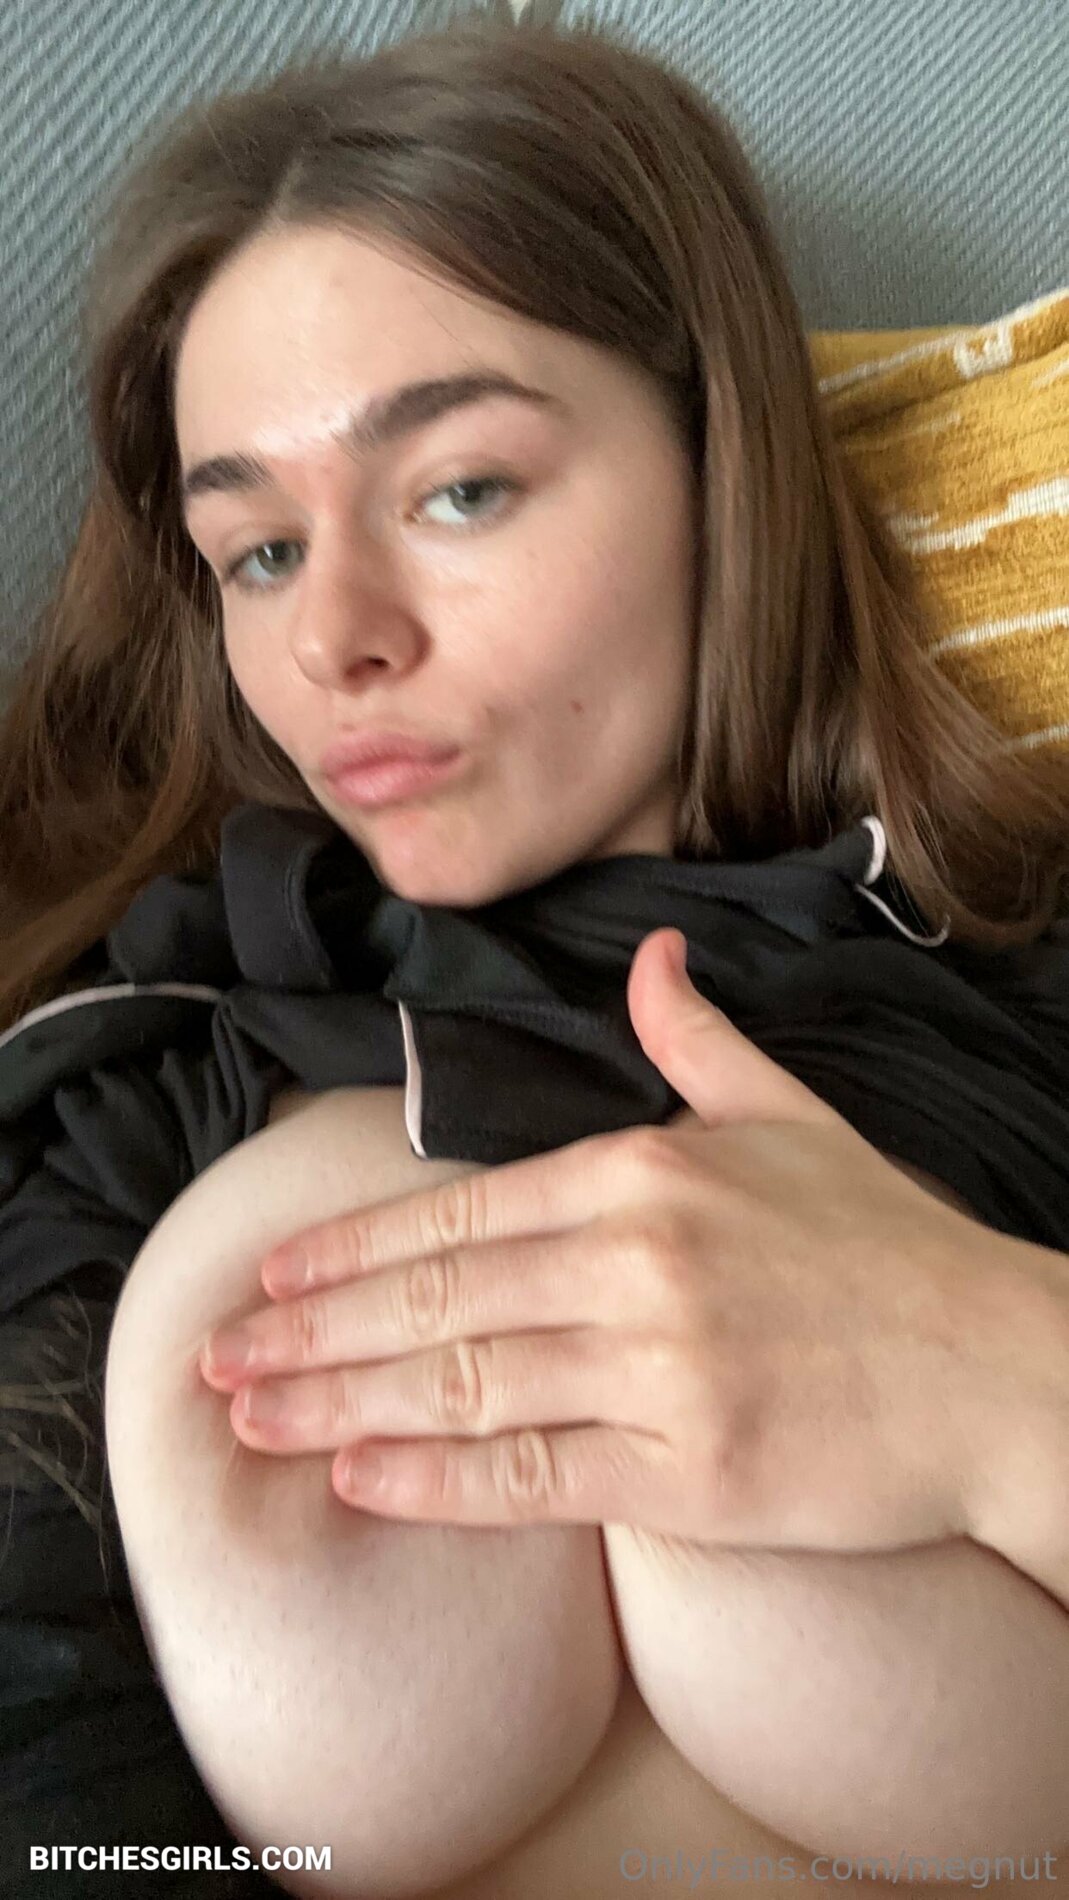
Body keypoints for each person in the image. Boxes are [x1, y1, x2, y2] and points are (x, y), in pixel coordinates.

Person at [1, 13, 1068, 1899]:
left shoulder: (1023, 976)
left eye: (459, 490)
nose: (333, 637)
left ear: (717, 460)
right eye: (257, 552)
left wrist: (1003, 1374)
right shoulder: (124, 1083)